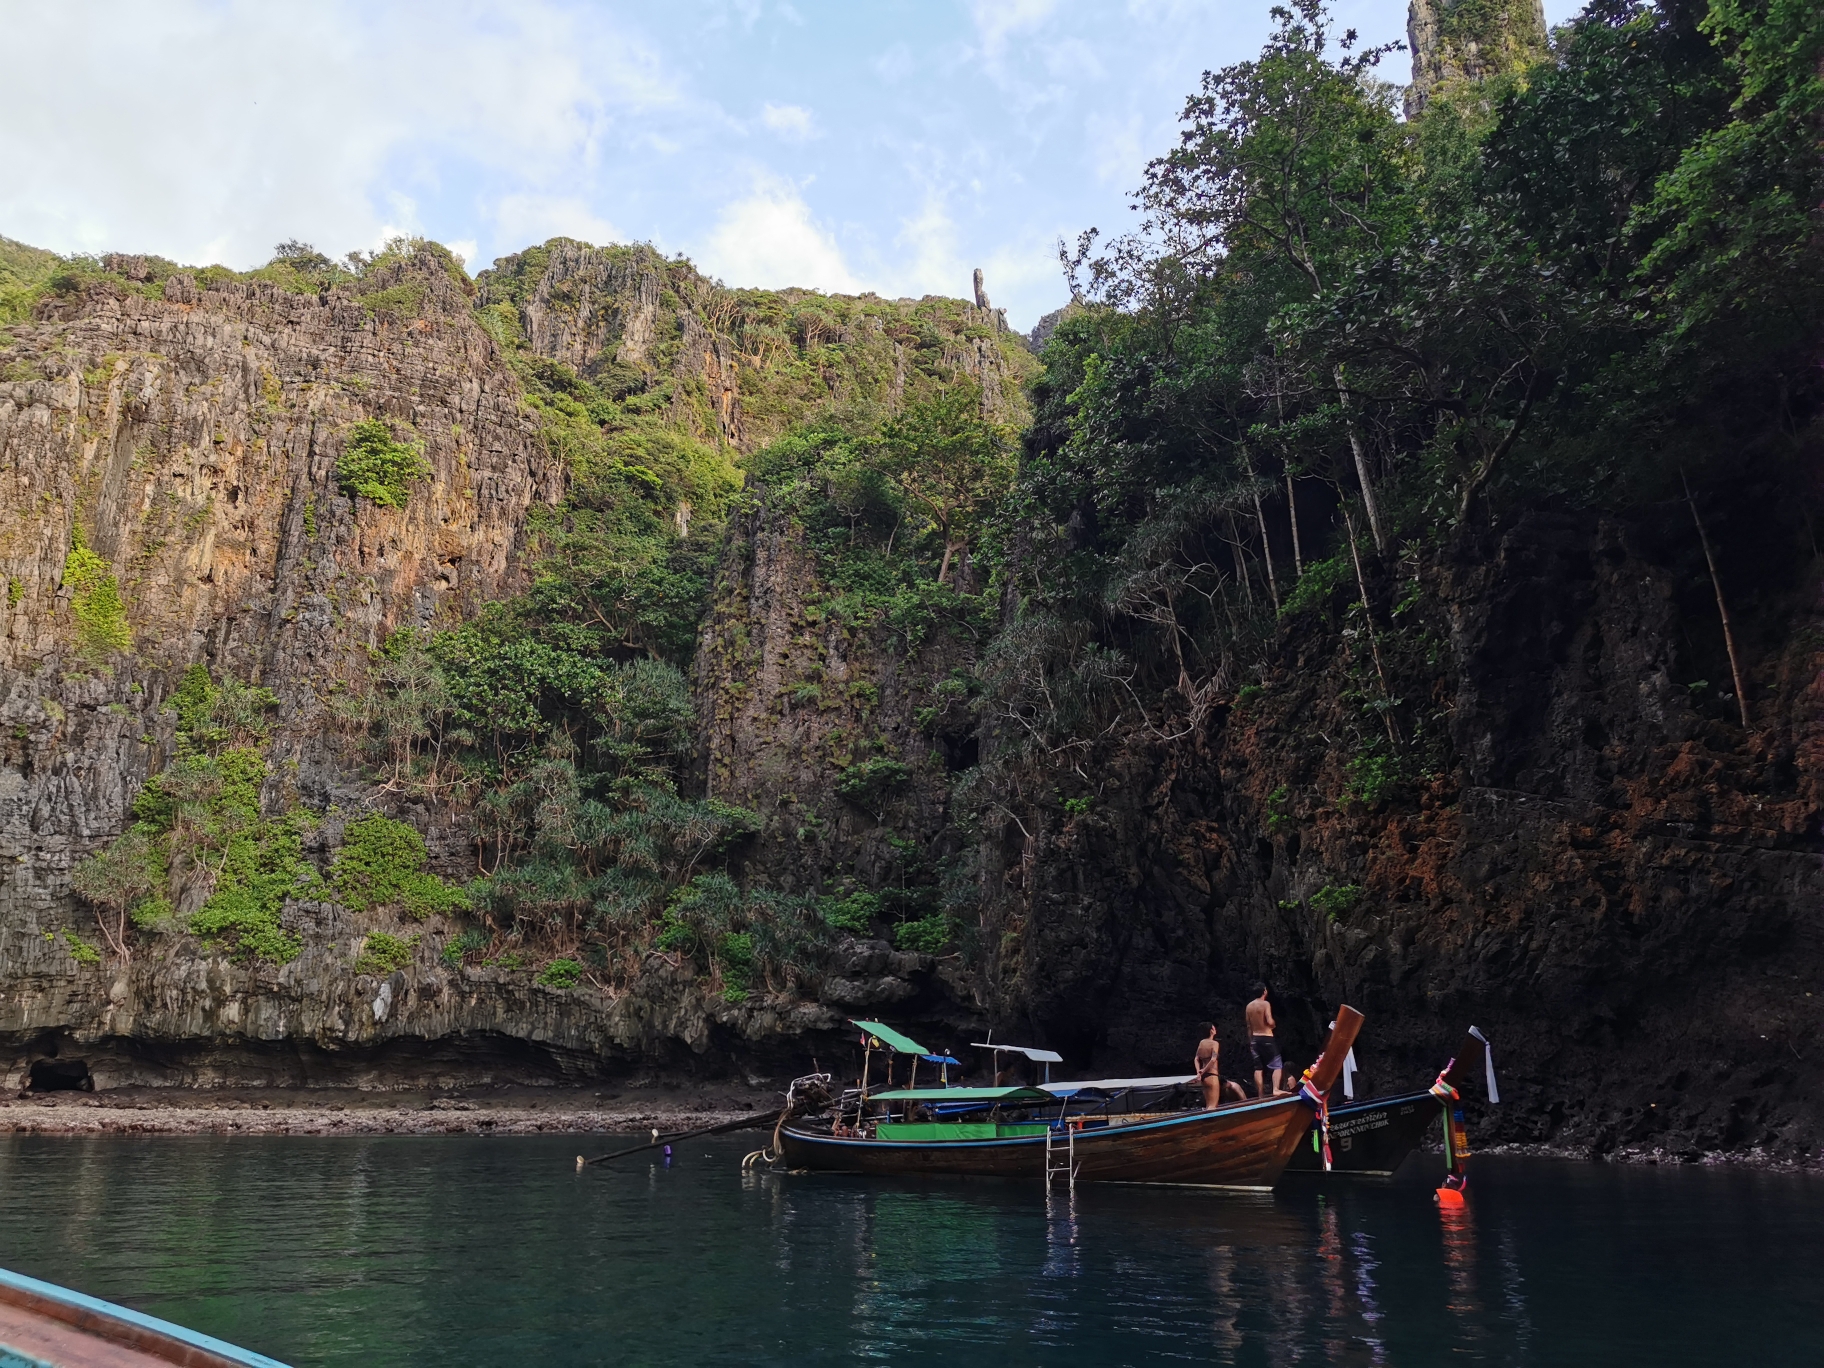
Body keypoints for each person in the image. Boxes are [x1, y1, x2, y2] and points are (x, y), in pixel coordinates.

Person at [1194, 1024, 1248, 1108]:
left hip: (1204, 1077)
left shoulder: (1202, 1043)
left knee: (1208, 1105)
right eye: (1214, 1028)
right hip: (1212, 1075)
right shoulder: (1214, 1043)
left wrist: (1199, 1072)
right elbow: (1213, 1059)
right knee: (1213, 1106)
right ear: (1211, 1031)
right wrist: (1203, 1070)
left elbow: (1196, 1058)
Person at [1246, 983, 1285, 1096]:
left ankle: (1260, 1094)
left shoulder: (1248, 1006)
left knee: (1258, 1067)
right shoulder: (1265, 1004)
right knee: (1277, 1065)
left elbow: (1249, 1026)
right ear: (1264, 992)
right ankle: (1276, 1089)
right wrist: (1273, 1025)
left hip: (1254, 1039)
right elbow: (1269, 1020)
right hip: (1266, 1037)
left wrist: (1250, 1042)